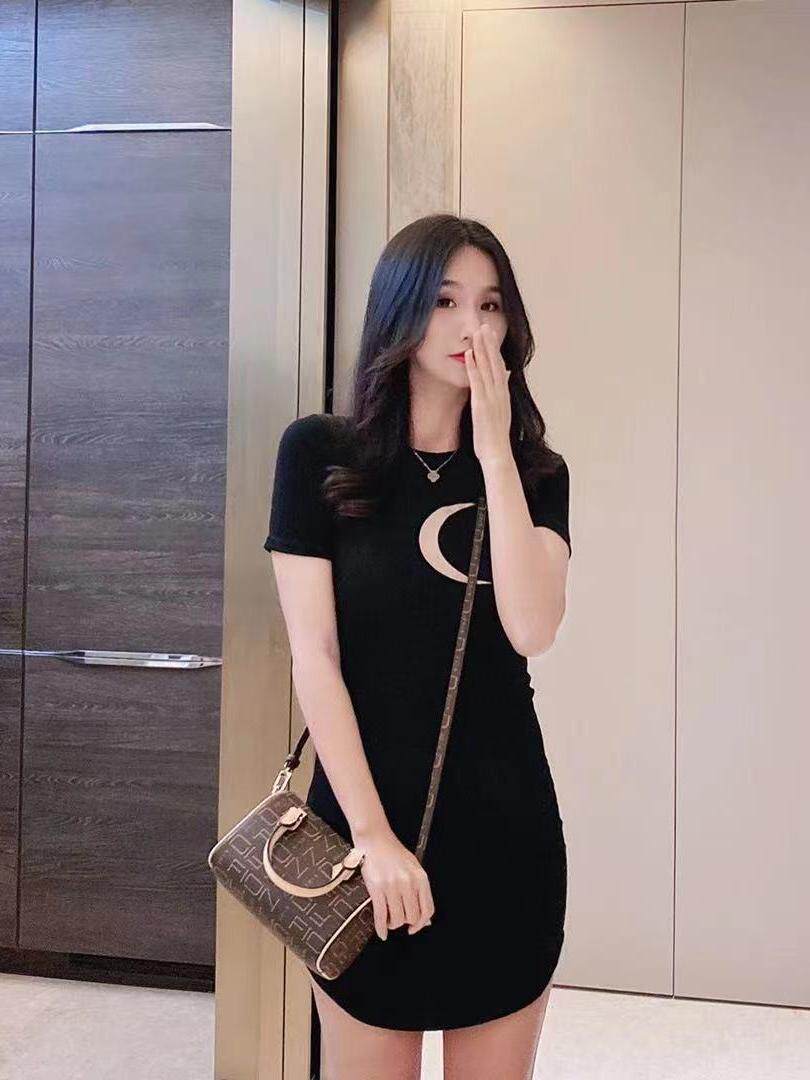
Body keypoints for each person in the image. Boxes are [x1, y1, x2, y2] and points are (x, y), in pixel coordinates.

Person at [265, 213, 571, 1080]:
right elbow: (315, 658)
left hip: (503, 837)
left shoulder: (538, 474)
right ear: (399, 310)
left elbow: (532, 628)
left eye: (490, 305)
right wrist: (371, 837)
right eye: (444, 301)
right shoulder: (319, 454)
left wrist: (495, 455)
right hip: (359, 839)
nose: (471, 325)